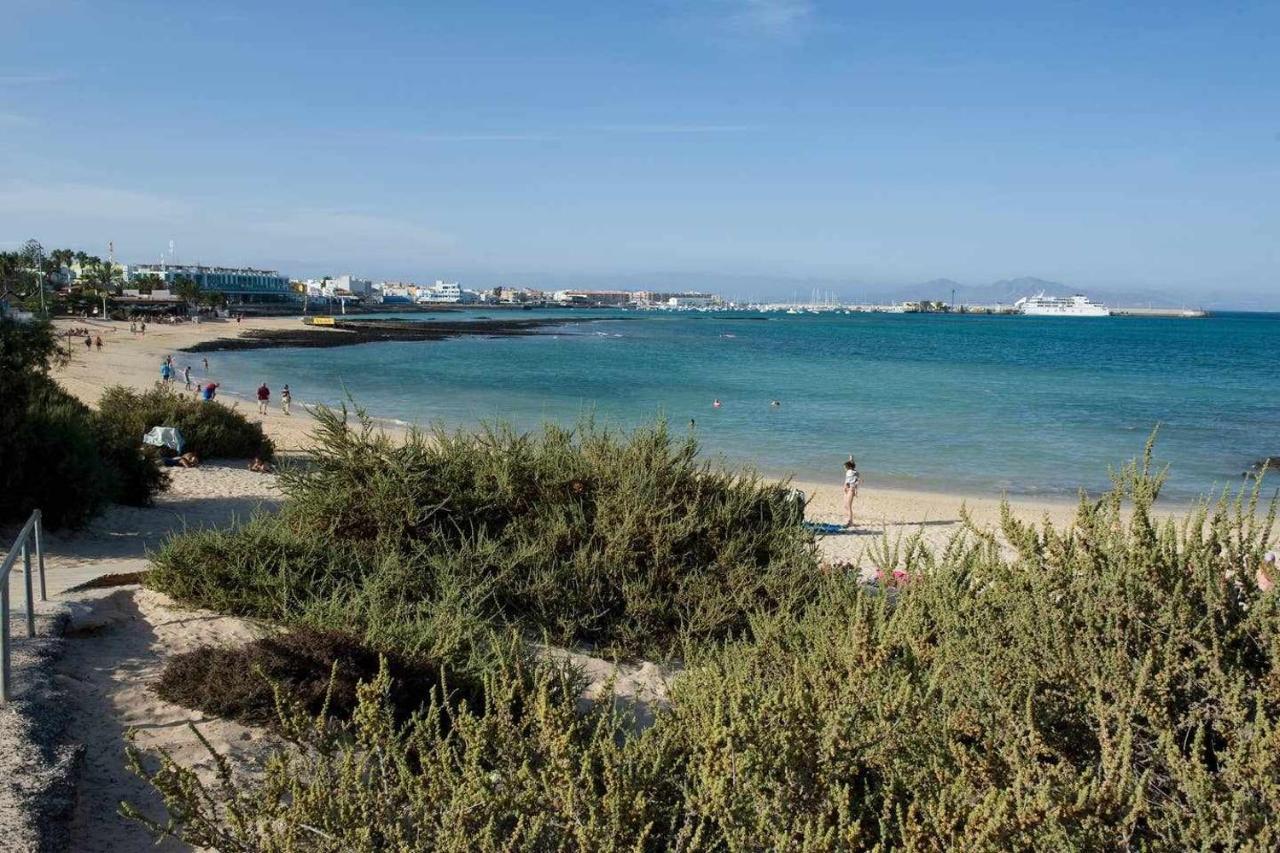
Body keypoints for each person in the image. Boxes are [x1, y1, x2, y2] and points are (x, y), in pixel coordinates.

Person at [842, 456, 860, 529]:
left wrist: (855, 489)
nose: (844, 468)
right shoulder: (851, 471)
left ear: (848, 467)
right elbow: (852, 464)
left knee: (848, 506)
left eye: (845, 467)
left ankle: (850, 522)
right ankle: (849, 520)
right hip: (848, 489)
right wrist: (851, 459)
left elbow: (854, 482)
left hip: (850, 489)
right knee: (845, 505)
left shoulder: (851, 473)